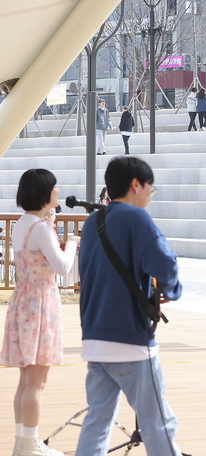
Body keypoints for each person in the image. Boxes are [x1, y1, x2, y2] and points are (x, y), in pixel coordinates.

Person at [76, 156, 184, 456]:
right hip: (130, 339)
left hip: (95, 337)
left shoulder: (92, 222)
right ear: (136, 185)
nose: (150, 194)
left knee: (97, 422)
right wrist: (171, 290)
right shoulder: (137, 218)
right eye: (151, 187)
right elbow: (165, 264)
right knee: (158, 423)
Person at [1, 169, 80, 456]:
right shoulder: (42, 228)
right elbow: (62, 267)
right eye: (55, 188)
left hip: (23, 301)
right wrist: (71, 243)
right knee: (37, 381)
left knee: (26, 379)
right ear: (44, 192)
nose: (58, 191)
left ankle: (23, 442)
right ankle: (30, 445)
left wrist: (50, 224)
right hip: (42, 303)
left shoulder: (24, 223)